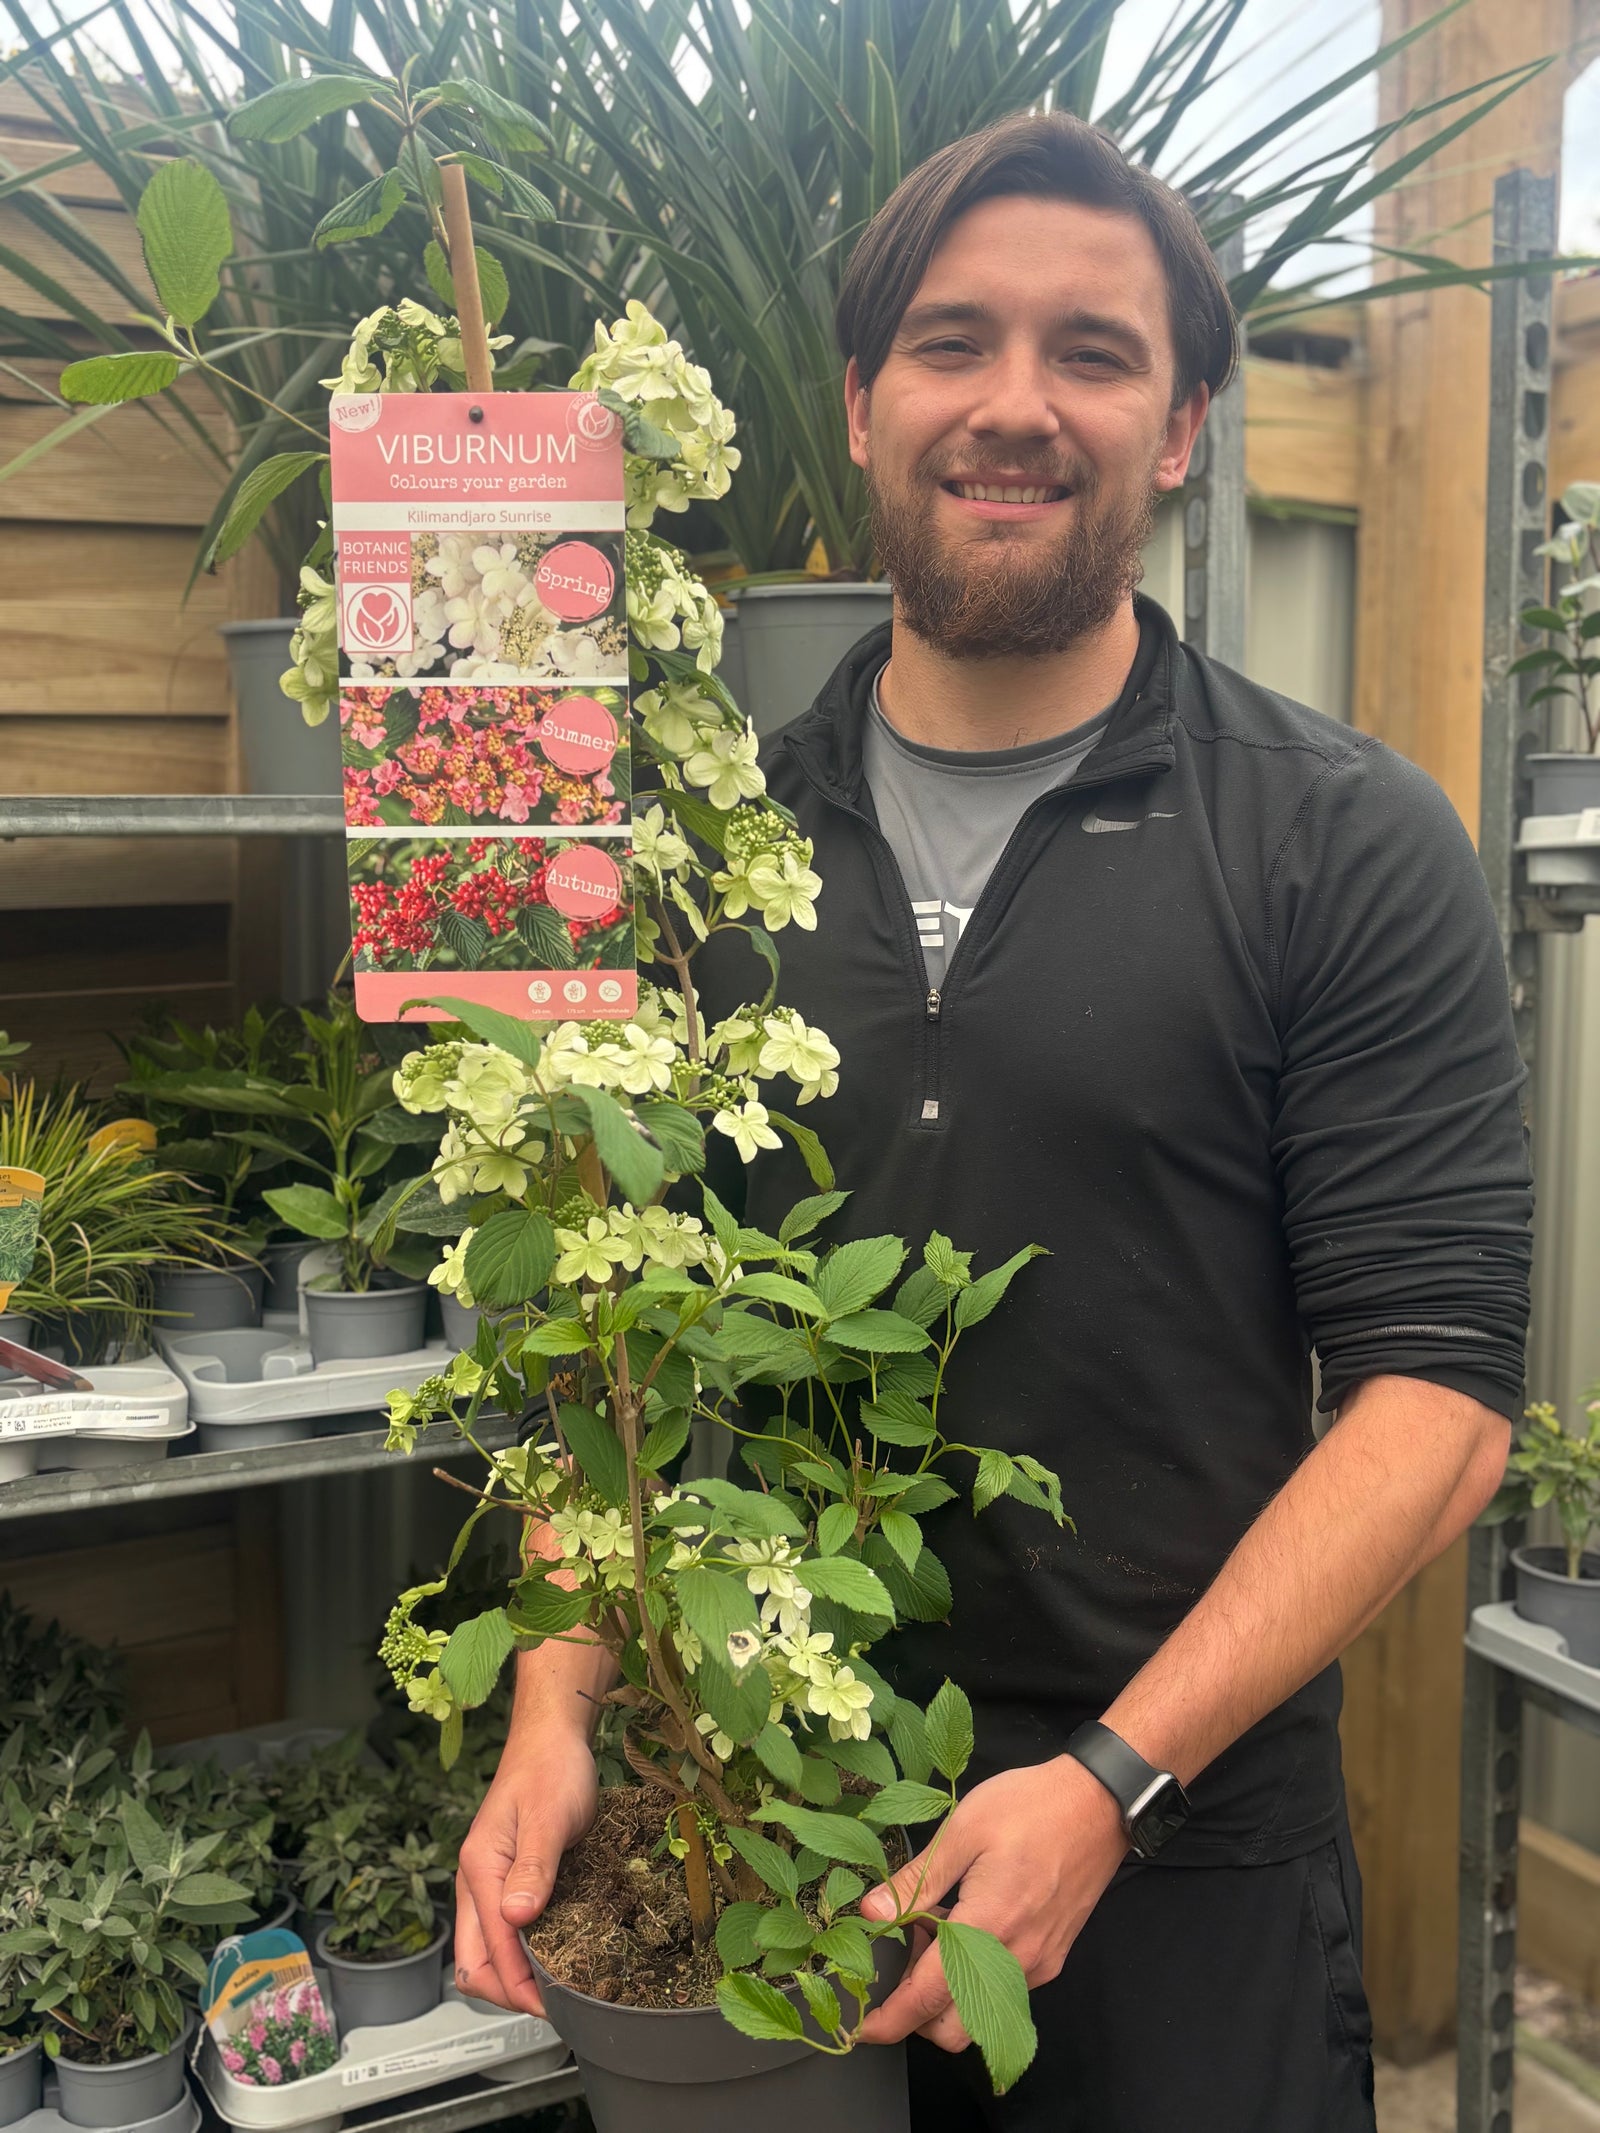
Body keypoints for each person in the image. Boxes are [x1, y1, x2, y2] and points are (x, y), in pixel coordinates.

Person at [452, 112, 1533, 2132]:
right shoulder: (694, 857)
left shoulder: (1334, 841)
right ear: (861, 403)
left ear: (1185, 422)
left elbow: (1435, 1398)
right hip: (770, 1831)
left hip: (1182, 1855)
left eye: (1093, 353)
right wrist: (557, 1691)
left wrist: (1115, 1772)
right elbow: (608, 1314)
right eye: (952, 342)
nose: (1014, 405)